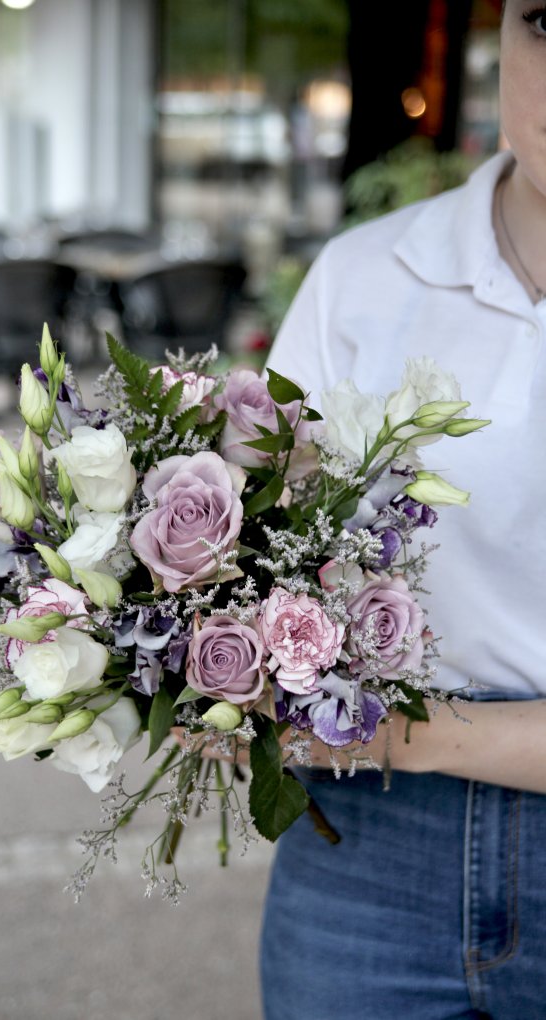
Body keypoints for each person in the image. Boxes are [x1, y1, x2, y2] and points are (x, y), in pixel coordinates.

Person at [259, 3, 546, 1018]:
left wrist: (404, 735)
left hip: (374, 756)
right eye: (544, 20)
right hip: (362, 855)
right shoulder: (362, 277)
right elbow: (255, 563)